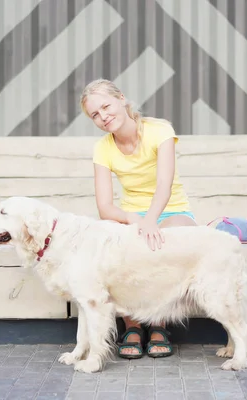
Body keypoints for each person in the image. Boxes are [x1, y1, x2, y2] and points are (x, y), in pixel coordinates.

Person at [79, 78, 198, 359]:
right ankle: (131, 325)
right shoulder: (103, 148)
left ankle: (159, 325)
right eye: (95, 114)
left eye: (106, 106)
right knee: (117, 246)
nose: (103, 116)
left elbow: (164, 186)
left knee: (165, 242)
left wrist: (151, 221)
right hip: (132, 214)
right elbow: (105, 207)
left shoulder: (160, 131)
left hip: (171, 211)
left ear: (121, 98)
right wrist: (136, 220)